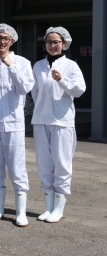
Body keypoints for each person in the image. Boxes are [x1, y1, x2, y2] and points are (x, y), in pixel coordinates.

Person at [0, 24, 35, 227]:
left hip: (14, 124)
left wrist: (11, 66)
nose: (2, 41)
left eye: (6, 38)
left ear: (12, 41)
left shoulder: (22, 63)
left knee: (17, 167)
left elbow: (25, 88)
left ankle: (20, 212)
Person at [31, 27, 86, 223]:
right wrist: (42, 109)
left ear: (64, 44)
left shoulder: (71, 66)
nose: (52, 45)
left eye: (56, 42)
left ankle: (59, 209)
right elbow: (35, 92)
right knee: (44, 164)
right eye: (49, 42)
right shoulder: (38, 66)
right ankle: (48, 207)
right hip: (41, 120)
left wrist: (61, 79)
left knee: (62, 163)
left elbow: (79, 90)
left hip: (62, 121)